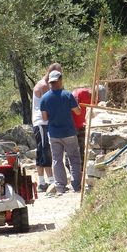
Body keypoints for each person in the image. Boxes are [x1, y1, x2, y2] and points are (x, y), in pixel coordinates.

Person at [40, 70, 82, 193]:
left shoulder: (44, 98)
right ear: (60, 81)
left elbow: (44, 118)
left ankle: (60, 186)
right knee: (73, 158)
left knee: (57, 160)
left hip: (53, 134)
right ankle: (76, 185)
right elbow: (78, 111)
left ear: (50, 83)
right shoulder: (67, 95)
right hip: (69, 132)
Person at [32, 63, 62, 192]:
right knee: (45, 150)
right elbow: (50, 103)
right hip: (41, 122)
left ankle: (42, 181)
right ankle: (49, 180)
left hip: (43, 122)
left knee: (42, 150)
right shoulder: (44, 86)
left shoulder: (44, 84)